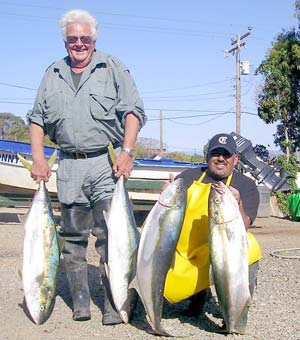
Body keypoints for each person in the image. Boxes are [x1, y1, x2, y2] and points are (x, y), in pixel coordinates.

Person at [27, 9, 146, 325]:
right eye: (72, 39)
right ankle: (80, 302)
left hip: (105, 166)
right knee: (73, 238)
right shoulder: (52, 73)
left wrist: (127, 151)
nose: (78, 44)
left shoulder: (113, 68)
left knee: (112, 237)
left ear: (94, 39)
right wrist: (39, 158)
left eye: (84, 38)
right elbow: (37, 118)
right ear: (65, 41)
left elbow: (133, 112)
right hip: (69, 166)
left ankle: (114, 301)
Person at [163, 133, 261, 333]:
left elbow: (244, 226)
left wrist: (237, 203)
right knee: (167, 291)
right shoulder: (188, 177)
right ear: (207, 156)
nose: (221, 158)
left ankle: (236, 317)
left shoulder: (246, 185)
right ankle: (198, 296)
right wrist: (166, 194)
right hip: (187, 256)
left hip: (222, 254)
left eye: (226, 154)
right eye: (216, 153)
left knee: (250, 246)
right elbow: (166, 220)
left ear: (236, 159)